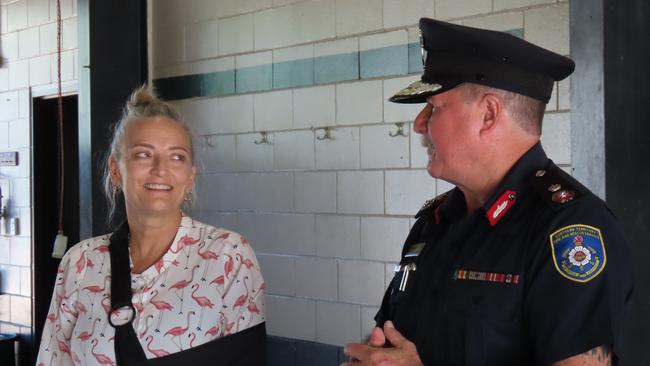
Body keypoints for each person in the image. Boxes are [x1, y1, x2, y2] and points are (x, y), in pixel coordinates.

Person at [343, 18, 632, 366]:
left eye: (434, 107)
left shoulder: (569, 232)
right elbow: (394, 339)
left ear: (489, 115)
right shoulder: (433, 224)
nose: (419, 123)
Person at [36, 86, 266, 365]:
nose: (160, 169)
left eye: (177, 157)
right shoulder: (80, 263)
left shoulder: (228, 257)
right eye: (144, 154)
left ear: (190, 176)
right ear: (115, 170)